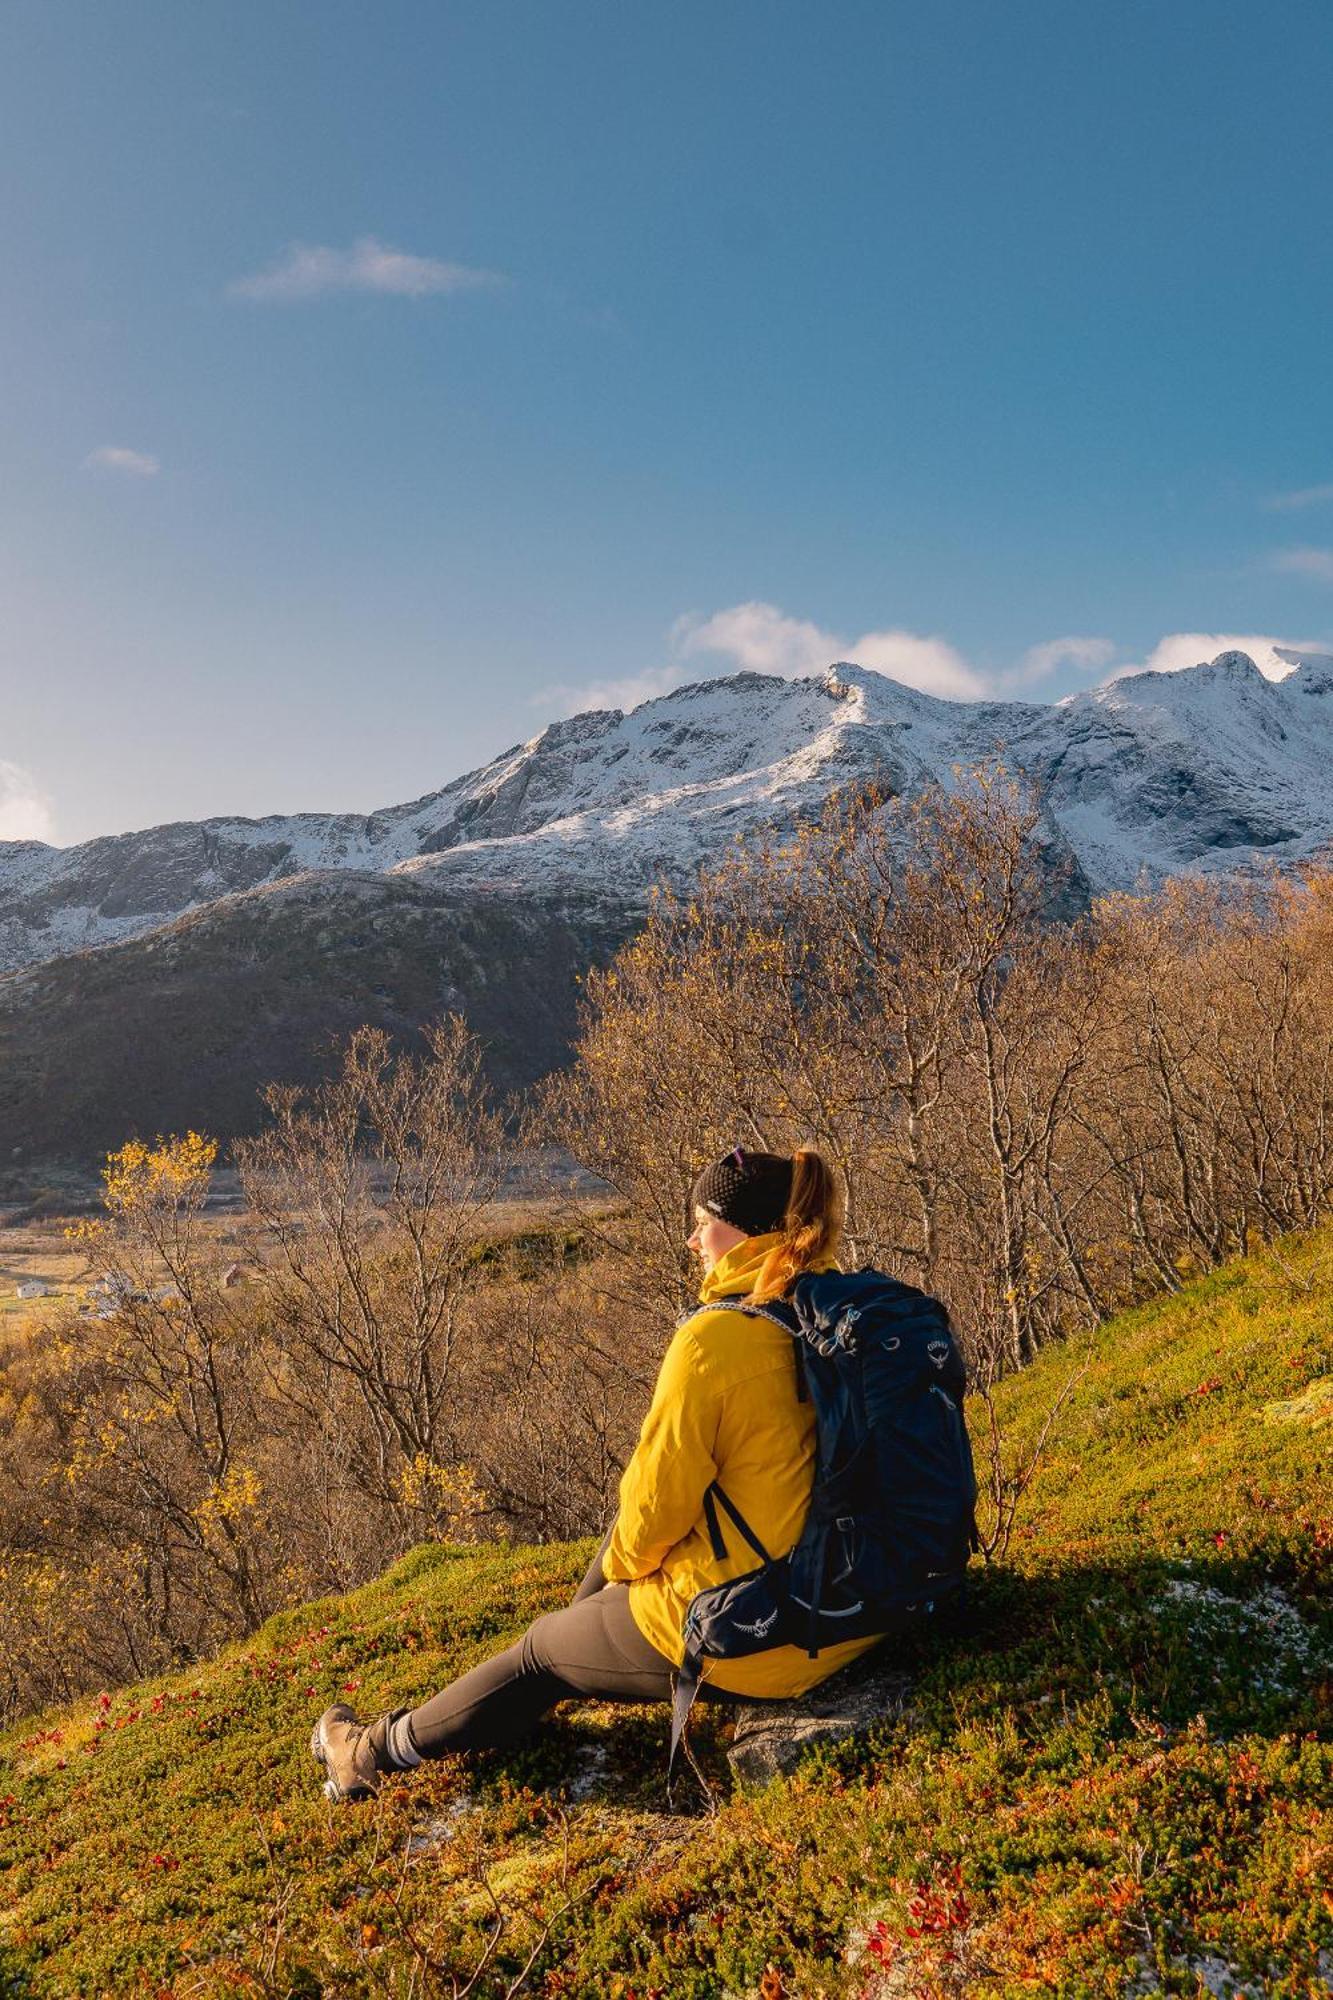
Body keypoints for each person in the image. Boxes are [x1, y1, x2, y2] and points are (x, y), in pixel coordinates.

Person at [312, 1145, 885, 1800]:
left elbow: (650, 1518)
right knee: (586, 1608)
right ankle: (576, 1643)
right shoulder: (847, 1315)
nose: (693, 1238)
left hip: (769, 1635)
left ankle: (367, 1754)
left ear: (743, 1230)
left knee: (539, 1652)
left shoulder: (716, 1341)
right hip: (871, 1598)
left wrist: (618, 1584)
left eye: (704, 1221)